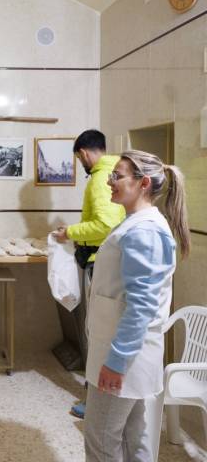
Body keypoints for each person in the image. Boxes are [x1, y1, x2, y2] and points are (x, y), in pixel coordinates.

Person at [84, 150, 190, 461]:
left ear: (143, 183)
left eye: (117, 176)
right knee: (133, 439)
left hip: (124, 357)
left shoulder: (144, 230)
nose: (109, 181)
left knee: (102, 440)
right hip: (124, 351)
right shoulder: (136, 223)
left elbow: (141, 305)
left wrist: (117, 362)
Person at [53, 129, 126, 418]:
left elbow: (105, 225)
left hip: (101, 263)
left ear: (83, 153)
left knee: (98, 333)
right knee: (104, 331)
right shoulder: (116, 173)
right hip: (111, 261)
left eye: (79, 159)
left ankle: (97, 400)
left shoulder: (100, 180)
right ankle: (103, 396)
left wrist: (69, 232)